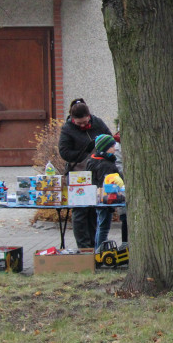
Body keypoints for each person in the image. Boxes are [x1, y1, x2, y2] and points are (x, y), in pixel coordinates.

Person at [58, 98, 113, 249]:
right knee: (80, 211)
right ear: (72, 119)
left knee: (94, 210)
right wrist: (85, 154)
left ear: (89, 116)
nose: (83, 125)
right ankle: (84, 248)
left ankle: (94, 246)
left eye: (85, 122)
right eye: (79, 123)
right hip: (78, 174)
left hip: (96, 174)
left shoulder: (98, 123)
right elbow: (64, 152)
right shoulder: (67, 129)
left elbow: (110, 140)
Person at [86, 134, 121, 250]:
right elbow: (106, 183)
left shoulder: (92, 161)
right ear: (105, 148)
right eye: (112, 146)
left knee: (100, 224)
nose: (114, 149)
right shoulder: (105, 164)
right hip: (105, 199)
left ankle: (99, 250)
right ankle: (100, 251)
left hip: (96, 198)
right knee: (103, 226)